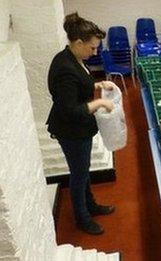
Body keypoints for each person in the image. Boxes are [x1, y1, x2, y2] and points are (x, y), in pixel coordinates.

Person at [47, 12, 117, 235]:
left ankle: (90, 204)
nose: (94, 52)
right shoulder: (64, 68)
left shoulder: (73, 58)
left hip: (79, 127)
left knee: (84, 170)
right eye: (92, 48)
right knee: (78, 174)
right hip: (71, 130)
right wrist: (99, 103)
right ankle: (82, 218)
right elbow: (70, 109)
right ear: (78, 43)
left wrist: (97, 85)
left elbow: (80, 86)